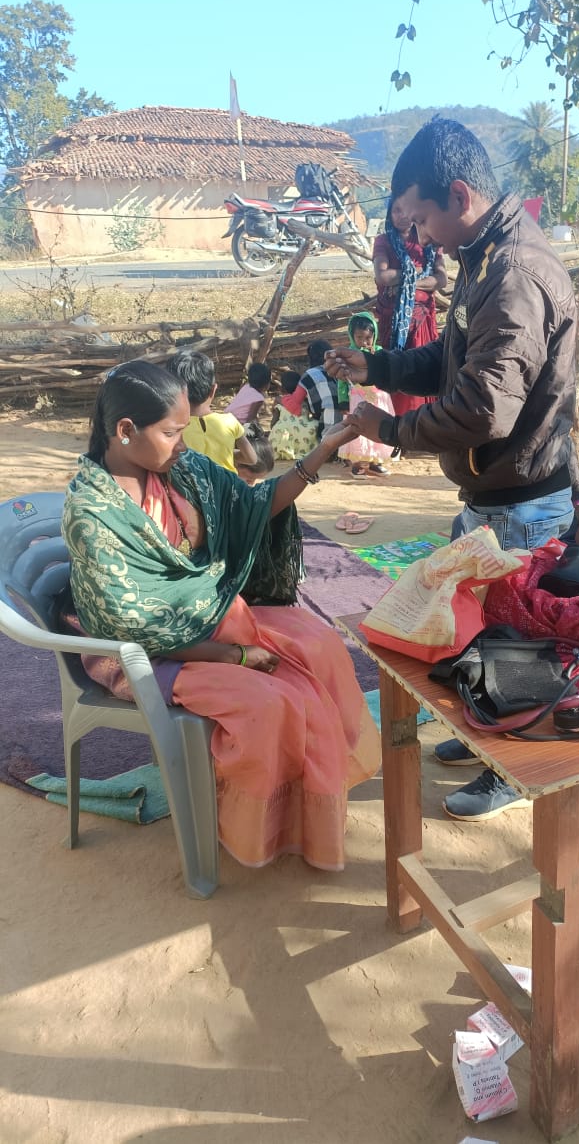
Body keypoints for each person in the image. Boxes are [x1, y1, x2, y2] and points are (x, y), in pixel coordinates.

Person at [326, 118, 579, 821]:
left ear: (456, 194)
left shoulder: (514, 274)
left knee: (520, 641)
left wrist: (390, 431)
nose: (420, 238)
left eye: (420, 219)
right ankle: (489, 730)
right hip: (493, 494)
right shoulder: (483, 257)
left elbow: (483, 410)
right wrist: (379, 366)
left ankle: (516, 760)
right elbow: (453, 364)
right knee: (481, 632)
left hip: (522, 501)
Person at [62, 361, 380, 871]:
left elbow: (254, 507)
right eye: (171, 432)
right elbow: (132, 624)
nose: (182, 444)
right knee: (271, 703)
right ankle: (257, 828)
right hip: (142, 654)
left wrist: (324, 449)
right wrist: (235, 656)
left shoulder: (182, 471)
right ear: (125, 430)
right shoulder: (91, 514)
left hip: (211, 616)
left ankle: (308, 808)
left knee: (320, 647)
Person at [373, 201, 447, 415]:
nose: (402, 216)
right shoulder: (383, 241)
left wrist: (406, 282)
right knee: (395, 368)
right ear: (389, 214)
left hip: (423, 319)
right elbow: (382, 276)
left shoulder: (428, 240)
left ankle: (424, 420)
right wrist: (420, 274)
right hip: (393, 322)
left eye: (405, 210)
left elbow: (441, 279)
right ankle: (398, 421)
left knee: (422, 364)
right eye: (396, 210)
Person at [168, 350, 258, 476]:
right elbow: (251, 458)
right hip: (227, 487)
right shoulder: (230, 421)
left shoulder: (172, 429)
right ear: (213, 390)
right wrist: (225, 453)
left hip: (191, 487)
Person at [337, 312, 396, 478]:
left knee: (379, 426)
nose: (364, 342)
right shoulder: (348, 355)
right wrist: (343, 400)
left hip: (379, 398)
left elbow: (387, 372)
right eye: (359, 337)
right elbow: (342, 380)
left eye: (368, 337)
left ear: (374, 335)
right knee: (360, 428)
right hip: (358, 399)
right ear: (352, 335)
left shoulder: (380, 353)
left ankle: (376, 462)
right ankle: (359, 464)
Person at [270, 367, 319, 463]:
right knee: (314, 425)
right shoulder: (305, 400)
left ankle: (285, 451)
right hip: (305, 433)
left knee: (278, 428)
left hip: (286, 434)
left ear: (282, 388)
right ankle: (305, 451)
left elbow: (273, 423)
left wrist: (275, 428)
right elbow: (313, 414)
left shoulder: (279, 401)